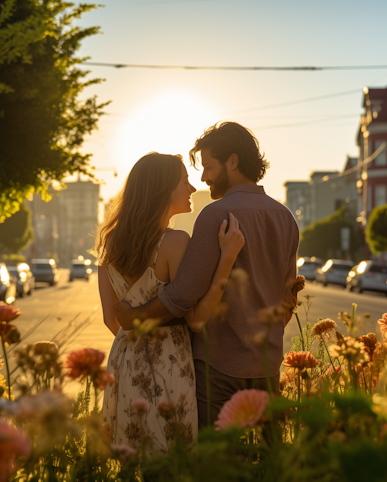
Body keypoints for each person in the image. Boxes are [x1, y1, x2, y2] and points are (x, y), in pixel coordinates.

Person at [115, 122, 300, 429]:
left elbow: (184, 294)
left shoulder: (216, 214)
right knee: (264, 464)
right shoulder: (285, 218)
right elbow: (288, 297)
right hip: (267, 367)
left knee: (215, 464)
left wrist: (135, 317)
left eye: (209, 167)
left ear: (233, 161)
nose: (203, 178)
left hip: (217, 371)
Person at [95, 152, 245, 453]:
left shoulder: (109, 242)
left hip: (124, 361)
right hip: (169, 362)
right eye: (184, 181)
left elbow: (111, 319)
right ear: (162, 188)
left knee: (131, 454)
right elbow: (195, 317)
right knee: (171, 457)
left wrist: (136, 343)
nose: (192, 188)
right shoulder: (175, 242)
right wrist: (227, 258)